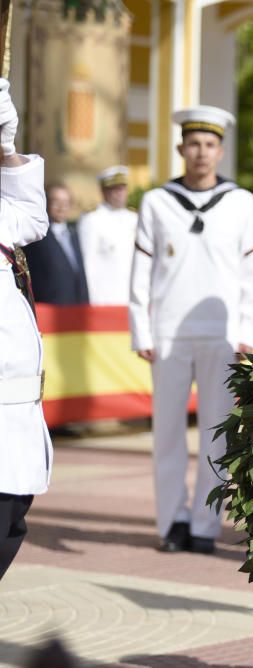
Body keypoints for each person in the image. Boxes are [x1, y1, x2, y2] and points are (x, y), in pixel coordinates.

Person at [129, 105, 253, 555]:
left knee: (216, 433)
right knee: (167, 431)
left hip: (223, 334)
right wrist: (141, 332)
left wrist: (247, 331)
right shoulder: (156, 201)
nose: (201, 152)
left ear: (221, 150)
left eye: (209, 144)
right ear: (181, 148)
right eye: (194, 144)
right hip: (169, 331)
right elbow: (140, 272)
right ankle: (171, 522)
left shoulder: (241, 201)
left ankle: (206, 525)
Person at [0, 78, 52, 580]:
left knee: (12, 519)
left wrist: (7, 147)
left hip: (13, 420)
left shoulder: (4, 213)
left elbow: (33, 219)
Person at [77, 165, 138, 305]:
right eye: (114, 190)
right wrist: (91, 301)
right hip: (104, 299)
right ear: (104, 191)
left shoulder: (134, 218)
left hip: (130, 298)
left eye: (122, 188)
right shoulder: (91, 219)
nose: (120, 193)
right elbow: (88, 263)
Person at [22, 182, 89, 304]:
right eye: (56, 201)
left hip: (77, 307)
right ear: (47, 203)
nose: (61, 207)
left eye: (66, 202)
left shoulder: (74, 234)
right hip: (50, 307)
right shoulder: (37, 236)